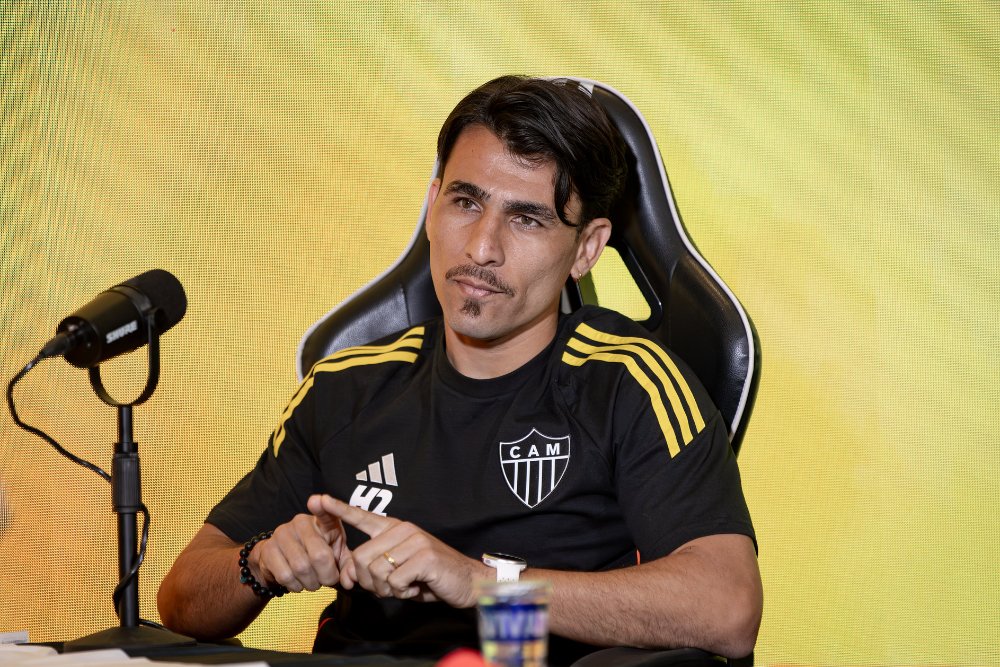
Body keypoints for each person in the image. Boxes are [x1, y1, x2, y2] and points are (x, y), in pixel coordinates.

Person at [157, 75, 762, 663]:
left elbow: (727, 609)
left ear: (586, 249)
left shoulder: (627, 382)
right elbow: (182, 599)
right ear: (432, 204)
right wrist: (259, 563)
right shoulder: (345, 386)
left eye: (527, 219)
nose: (481, 247)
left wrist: (481, 584)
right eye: (466, 202)